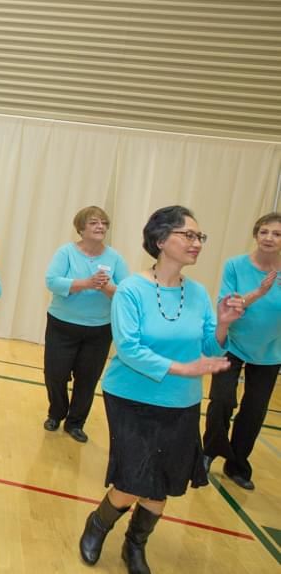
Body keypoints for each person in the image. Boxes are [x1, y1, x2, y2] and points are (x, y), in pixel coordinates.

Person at [79, 206, 242, 574]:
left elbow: (211, 347)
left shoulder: (198, 293)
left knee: (161, 486)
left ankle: (134, 545)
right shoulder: (131, 291)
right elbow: (130, 347)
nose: (196, 243)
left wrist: (224, 326)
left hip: (181, 402)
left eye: (200, 237)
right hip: (131, 398)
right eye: (188, 235)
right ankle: (99, 523)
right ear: (160, 240)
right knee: (131, 481)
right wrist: (183, 368)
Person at [203, 212, 280, 491]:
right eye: (265, 232)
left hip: (270, 353)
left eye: (277, 234)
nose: (270, 238)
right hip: (232, 344)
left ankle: (237, 465)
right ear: (256, 235)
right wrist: (259, 292)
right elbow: (230, 304)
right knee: (222, 400)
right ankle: (209, 452)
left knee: (254, 411)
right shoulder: (235, 266)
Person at [43, 206, 129, 443]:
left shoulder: (115, 258)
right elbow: (52, 281)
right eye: (93, 223)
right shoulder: (66, 253)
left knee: (87, 379)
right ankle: (56, 412)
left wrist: (107, 287)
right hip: (62, 325)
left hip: (99, 330)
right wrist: (86, 283)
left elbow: (127, 293)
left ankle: (75, 423)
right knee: (55, 375)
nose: (100, 226)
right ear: (81, 228)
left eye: (103, 223)